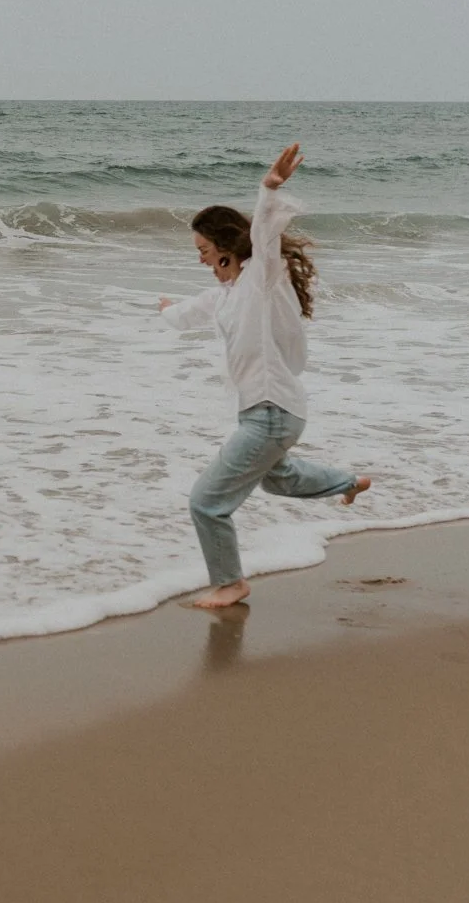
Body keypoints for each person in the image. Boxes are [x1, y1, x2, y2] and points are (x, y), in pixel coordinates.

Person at [158, 143, 370, 610]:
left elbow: (264, 232)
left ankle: (231, 583)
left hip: (271, 412)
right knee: (279, 479)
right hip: (270, 412)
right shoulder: (228, 293)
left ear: (226, 246)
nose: (199, 259)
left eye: (204, 250)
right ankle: (348, 482)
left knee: (206, 502)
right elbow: (193, 311)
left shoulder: (261, 277)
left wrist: (267, 189)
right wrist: (167, 310)